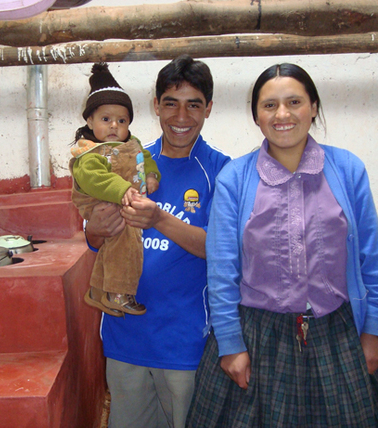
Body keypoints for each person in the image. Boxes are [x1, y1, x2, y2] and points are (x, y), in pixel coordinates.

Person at [186, 63, 378, 427]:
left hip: (336, 337)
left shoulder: (348, 169)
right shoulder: (236, 178)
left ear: (314, 107)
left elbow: (373, 260)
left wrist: (373, 333)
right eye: (269, 105)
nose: (283, 114)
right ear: (257, 115)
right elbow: (222, 270)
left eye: (294, 102)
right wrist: (230, 345)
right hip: (257, 339)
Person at [85, 55, 231, 428]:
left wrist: (160, 219)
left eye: (193, 105)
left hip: (185, 344)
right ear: (156, 106)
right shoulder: (128, 159)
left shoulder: (222, 171)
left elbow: (221, 250)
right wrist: (95, 229)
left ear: (208, 109)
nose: (181, 117)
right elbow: (96, 240)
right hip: (124, 338)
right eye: (170, 103)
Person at [71, 62, 161, 316]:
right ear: (90, 120)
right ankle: (120, 292)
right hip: (99, 200)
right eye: (106, 119)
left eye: (121, 120)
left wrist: (152, 174)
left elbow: (145, 157)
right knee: (127, 241)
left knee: (114, 244)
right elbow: (94, 178)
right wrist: (122, 190)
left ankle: (99, 292)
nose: (114, 126)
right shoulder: (88, 152)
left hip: (122, 199)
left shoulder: (132, 144)